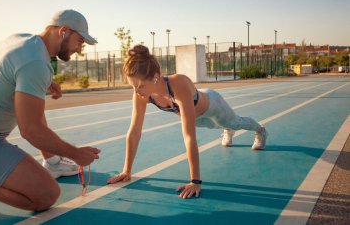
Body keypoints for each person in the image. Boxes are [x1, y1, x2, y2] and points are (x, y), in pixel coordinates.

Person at [0, 9, 101, 211]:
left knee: (35, 106)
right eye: (80, 41)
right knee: (46, 195)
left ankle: (51, 161)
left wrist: (45, 83)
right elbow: (30, 131)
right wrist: (76, 154)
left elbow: (6, 72)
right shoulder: (36, 63)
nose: (80, 49)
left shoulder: (21, 40)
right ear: (64, 31)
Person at [107, 45, 267, 199]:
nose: (136, 91)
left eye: (140, 85)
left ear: (155, 77)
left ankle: (260, 130)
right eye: (132, 86)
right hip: (196, 117)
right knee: (216, 125)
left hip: (212, 105)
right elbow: (134, 132)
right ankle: (226, 129)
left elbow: (189, 137)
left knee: (234, 123)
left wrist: (195, 181)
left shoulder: (179, 83)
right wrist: (126, 170)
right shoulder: (141, 96)